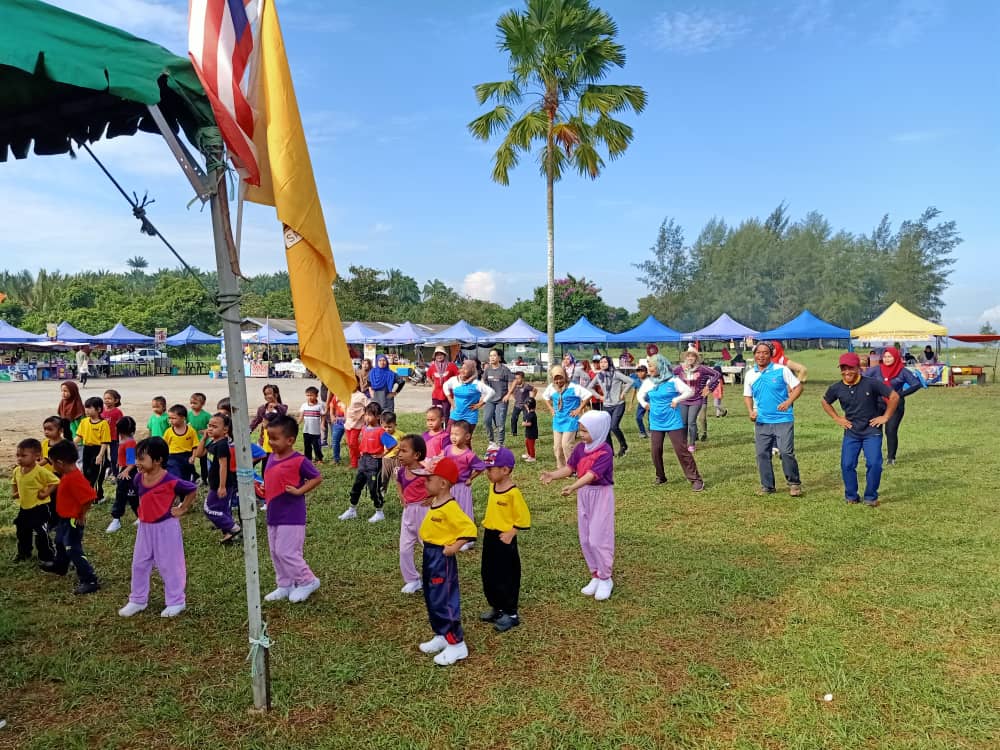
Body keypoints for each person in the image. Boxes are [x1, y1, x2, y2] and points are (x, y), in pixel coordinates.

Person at [117, 437, 199, 618]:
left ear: (158, 460)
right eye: (136, 458)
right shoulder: (138, 478)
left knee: (170, 565)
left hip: (166, 528)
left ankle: (176, 601)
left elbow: (191, 489)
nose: (137, 462)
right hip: (145, 528)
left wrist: (182, 508)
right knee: (139, 564)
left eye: (141, 459)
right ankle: (138, 599)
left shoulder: (170, 480)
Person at [539, 410, 616, 601]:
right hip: (584, 494)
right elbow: (569, 468)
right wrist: (553, 475)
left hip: (600, 495)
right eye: (580, 430)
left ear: (598, 430)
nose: (581, 434)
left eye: (585, 431)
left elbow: (591, 475)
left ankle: (606, 578)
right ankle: (595, 574)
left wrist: (573, 487)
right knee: (586, 538)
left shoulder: (605, 451)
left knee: (599, 538)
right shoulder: (581, 448)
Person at [412, 456, 477, 666]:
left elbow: (469, 529)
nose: (424, 482)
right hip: (430, 555)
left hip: (442, 558)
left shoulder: (450, 507)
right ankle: (441, 634)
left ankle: (457, 644)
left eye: (428, 479)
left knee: (444, 598)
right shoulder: (436, 501)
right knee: (432, 596)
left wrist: (455, 547)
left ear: (442, 483)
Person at [822, 353, 900, 507]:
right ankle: (851, 496)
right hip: (852, 432)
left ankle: (870, 497)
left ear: (858, 368)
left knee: (874, 464)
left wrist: (885, 417)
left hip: (872, 431)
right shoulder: (837, 388)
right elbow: (825, 401)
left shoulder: (871, 383)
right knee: (847, 465)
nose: (847, 372)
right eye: (843, 368)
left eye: (850, 368)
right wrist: (837, 418)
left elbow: (894, 397)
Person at [261, 415, 324, 603]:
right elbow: (273, 479)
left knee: (287, 552)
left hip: (292, 515)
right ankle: (285, 584)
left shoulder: (299, 460)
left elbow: (316, 478)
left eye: (274, 438)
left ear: (290, 440)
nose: (270, 442)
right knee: (275, 552)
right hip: (273, 513)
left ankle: (307, 581)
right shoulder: (271, 457)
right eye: (269, 437)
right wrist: (264, 487)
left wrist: (299, 491)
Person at [479, 446, 531, 633]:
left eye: (490, 469)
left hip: (505, 539)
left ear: (505, 470)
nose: (487, 473)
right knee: (489, 572)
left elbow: (523, 516)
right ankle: (497, 607)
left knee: (507, 575)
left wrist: (512, 531)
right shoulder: (493, 486)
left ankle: (511, 613)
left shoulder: (513, 493)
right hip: (490, 535)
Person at [40, 440, 100, 595]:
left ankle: (89, 579)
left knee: (73, 549)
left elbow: (89, 497)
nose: (52, 466)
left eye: (52, 463)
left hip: (72, 520)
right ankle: (60, 565)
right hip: (64, 518)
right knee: (59, 541)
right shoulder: (67, 474)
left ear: (60, 463)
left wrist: (82, 514)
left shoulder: (74, 478)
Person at [743, 342, 803, 497]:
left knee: (786, 452)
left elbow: (798, 387)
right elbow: (747, 395)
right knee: (762, 453)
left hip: (783, 419)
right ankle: (767, 486)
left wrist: (788, 402)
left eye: (765, 353)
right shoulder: (750, 374)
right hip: (762, 420)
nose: (761, 356)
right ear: (754, 355)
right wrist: (750, 411)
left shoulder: (781, 370)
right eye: (758, 353)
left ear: (770, 355)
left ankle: (794, 483)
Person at [637, 354, 704, 491]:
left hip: (673, 421)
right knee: (655, 450)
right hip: (656, 422)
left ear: (660, 366)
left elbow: (689, 391)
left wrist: (676, 400)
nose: (649, 369)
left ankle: (696, 480)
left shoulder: (673, 380)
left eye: (651, 366)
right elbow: (640, 395)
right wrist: (644, 404)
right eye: (648, 366)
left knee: (681, 450)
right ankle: (660, 476)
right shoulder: (649, 382)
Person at [863, 346, 924, 465]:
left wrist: (900, 394)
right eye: (885, 357)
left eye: (890, 356)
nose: (887, 359)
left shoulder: (902, 371)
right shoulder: (876, 370)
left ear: (896, 357)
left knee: (890, 430)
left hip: (895, 405)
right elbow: (862, 379)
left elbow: (916, 384)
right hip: (877, 403)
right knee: (875, 430)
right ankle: (873, 455)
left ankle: (891, 458)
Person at [339, 402, 397, 523]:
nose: (367, 417)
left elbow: (393, 443)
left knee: (373, 488)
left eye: (370, 415)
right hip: (363, 461)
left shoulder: (381, 431)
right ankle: (352, 509)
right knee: (357, 485)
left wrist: (382, 454)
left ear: (378, 416)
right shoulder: (364, 428)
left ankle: (379, 512)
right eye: (365, 414)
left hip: (374, 463)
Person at [10, 438, 57, 563]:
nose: (19, 459)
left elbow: (55, 481)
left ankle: (47, 556)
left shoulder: (40, 471)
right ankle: (24, 553)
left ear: (37, 456)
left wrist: (46, 493)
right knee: (22, 531)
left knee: (41, 533)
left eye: (23, 456)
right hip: (24, 508)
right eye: (18, 455)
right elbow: (14, 482)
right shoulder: (17, 470)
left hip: (39, 508)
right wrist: (15, 493)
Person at [541, 365, 595, 469]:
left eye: (560, 378)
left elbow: (588, 395)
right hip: (558, 420)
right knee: (557, 447)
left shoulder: (573, 387)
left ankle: (571, 468)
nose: (558, 381)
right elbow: (545, 397)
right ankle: (561, 468)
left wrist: (578, 409)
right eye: (556, 379)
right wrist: (551, 409)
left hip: (570, 420)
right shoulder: (552, 388)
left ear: (565, 376)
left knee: (566, 445)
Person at [396, 434, 429, 594]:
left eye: (404, 451)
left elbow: (440, 484)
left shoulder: (425, 472)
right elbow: (399, 482)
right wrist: (401, 495)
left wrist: (432, 498)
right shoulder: (402, 471)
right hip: (408, 512)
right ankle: (412, 580)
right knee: (404, 548)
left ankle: (436, 575)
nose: (399, 454)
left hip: (423, 512)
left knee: (429, 546)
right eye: (399, 450)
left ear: (416, 455)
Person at [441, 420, 486, 536]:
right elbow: (442, 460)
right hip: (448, 486)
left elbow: (481, 467)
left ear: (467, 437)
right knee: (448, 508)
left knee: (462, 509)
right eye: (452, 434)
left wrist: (470, 478)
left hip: (461, 487)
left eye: (457, 434)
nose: (453, 437)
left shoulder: (469, 455)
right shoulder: (448, 449)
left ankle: (466, 535)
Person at [202, 413, 242, 544]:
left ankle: (233, 527)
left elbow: (223, 466)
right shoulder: (213, 442)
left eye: (214, 426)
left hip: (221, 484)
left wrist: (222, 486)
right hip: (215, 482)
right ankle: (229, 534)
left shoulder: (222, 445)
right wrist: (204, 438)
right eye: (209, 425)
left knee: (209, 509)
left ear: (225, 430)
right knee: (223, 509)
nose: (210, 428)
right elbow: (199, 453)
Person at [673, 351, 722, 453]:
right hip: (683, 399)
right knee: (683, 423)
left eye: (693, 356)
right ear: (685, 358)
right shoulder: (680, 368)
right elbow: (668, 375)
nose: (690, 358)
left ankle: (692, 444)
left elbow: (717, 374)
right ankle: (683, 443)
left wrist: (708, 386)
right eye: (688, 356)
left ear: (696, 358)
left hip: (696, 399)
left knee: (691, 422)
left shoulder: (701, 368)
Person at [588, 355, 635, 458]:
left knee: (614, 426)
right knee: (606, 429)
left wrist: (623, 393)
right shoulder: (599, 376)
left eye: (605, 362)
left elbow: (631, 381)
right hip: (606, 405)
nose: (602, 364)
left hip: (618, 404)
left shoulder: (616, 374)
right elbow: (589, 387)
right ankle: (610, 452)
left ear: (609, 363)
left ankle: (623, 445)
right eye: (601, 362)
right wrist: (599, 396)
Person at [106, 417, 139, 533]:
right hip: (123, 471)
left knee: (131, 496)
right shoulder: (123, 441)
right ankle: (116, 519)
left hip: (128, 473)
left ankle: (139, 517)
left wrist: (126, 471)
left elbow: (132, 460)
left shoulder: (129, 443)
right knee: (122, 495)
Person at [443, 360, 495, 434]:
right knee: (448, 434)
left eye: (466, 369)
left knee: (466, 438)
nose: (462, 371)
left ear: (471, 371)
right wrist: (450, 399)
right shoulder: (455, 380)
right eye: (462, 368)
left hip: (470, 416)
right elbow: (445, 386)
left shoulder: (476, 383)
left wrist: (480, 404)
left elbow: (491, 392)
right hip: (455, 414)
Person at [75, 396, 110, 502]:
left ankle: (98, 497)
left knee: (97, 474)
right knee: (86, 473)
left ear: (98, 409)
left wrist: (100, 455)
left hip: (98, 450)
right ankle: (88, 495)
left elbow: (105, 442)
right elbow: (78, 437)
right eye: (86, 407)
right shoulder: (84, 422)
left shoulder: (103, 424)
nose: (86, 410)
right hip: (87, 449)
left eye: (89, 408)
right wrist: (70, 445)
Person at [481, 349, 513, 448]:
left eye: (494, 355)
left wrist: (508, 394)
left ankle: (500, 443)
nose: (492, 357)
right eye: (490, 355)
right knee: (486, 420)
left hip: (501, 400)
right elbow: (483, 380)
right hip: (490, 400)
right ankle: (491, 441)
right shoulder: (487, 369)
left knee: (500, 423)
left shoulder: (504, 369)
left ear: (499, 357)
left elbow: (513, 382)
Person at [163, 404, 199, 483]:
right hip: (172, 457)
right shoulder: (168, 432)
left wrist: (193, 457)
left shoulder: (191, 431)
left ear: (183, 418)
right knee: (175, 475)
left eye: (173, 418)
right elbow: (163, 446)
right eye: (169, 418)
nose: (170, 420)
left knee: (186, 477)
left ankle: (188, 485)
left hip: (187, 457)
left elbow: (195, 446)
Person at [249, 384, 288, 451]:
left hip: (277, 441)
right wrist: (249, 430)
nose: (267, 396)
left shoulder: (282, 408)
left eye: (269, 393)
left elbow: (282, 412)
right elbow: (256, 421)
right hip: (264, 441)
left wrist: (275, 407)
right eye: (265, 394)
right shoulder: (262, 408)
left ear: (276, 394)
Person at [428, 346, 460, 423]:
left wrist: (454, 386)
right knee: (436, 413)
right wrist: (433, 385)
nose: (439, 356)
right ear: (435, 356)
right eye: (437, 354)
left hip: (447, 394)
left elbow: (458, 376)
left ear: (445, 355)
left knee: (446, 413)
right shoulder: (432, 366)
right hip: (436, 395)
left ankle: (446, 428)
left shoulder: (451, 365)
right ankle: (438, 427)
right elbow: (428, 376)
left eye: (441, 354)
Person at [100, 389, 124, 487]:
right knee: (103, 457)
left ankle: (115, 474)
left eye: (109, 398)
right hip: (102, 438)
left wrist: (121, 437)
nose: (106, 400)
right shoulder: (101, 410)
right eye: (105, 398)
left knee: (114, 457)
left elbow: (121, 425)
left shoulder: (117, 412)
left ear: (116, 400)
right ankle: (105, 471)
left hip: (114, 438)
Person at [344, 376, 369, 469]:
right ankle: (354, 463)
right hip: (348, 423)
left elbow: (369, 406)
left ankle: (360, 457)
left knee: (353, 443)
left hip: (357, 424)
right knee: (349, 444)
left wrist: (362, 414)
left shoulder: (361, 396)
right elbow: (345, 407)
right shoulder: (347, 394)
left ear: (358, 383)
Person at [187, 392, 211, 484]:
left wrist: (206, 430)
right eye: (191, 403)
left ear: (203, 403)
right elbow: (183, 424)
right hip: (191, 441)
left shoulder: (206, 415)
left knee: (203, 460)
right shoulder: (188, 414)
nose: (192, 405)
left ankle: (205, 478)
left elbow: (214, 425)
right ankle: (194, 475)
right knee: (190, 459)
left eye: (195, 403)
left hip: (203, 441)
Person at [298, 386, 326, 463]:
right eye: (307, 395)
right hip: (306, 430)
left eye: (311, 395)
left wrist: (322, 424)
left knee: (317, 446)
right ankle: (308, 459)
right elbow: (301, 417)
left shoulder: (319, 406)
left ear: (316, 396)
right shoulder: (304, 405)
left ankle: (319, 459)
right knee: (307, 446)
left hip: (316, 431)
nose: (309, 397)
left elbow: (323, 416)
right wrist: (297, 423)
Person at [507, 371, 537, 440]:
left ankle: (528, 433)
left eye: (518, 378)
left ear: (522, 378)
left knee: (526, 419)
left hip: (525, 406)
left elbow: (535, 390)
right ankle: (514, 433)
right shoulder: (514, 386)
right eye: (516, 378)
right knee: (513, 418)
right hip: (517, 405)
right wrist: (515, 397)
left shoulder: (526, 386)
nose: (517, 380)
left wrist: (532, 399)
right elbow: (511, 392)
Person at [379, 411, 400, 501]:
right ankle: (381, 493)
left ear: (395, 425)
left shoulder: (400, 434)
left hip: (397, 460)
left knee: (398, 478)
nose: (387, 429)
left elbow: (407, 443)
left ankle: (401, 495)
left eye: (390, 427)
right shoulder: (381, 435)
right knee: (384, 477)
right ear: (381, 425)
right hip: (385, 460)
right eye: (385, 427)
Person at [325, 388, 346, 464]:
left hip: (348, 422)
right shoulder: (335, 397)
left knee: (351, 442)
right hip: (338, 422)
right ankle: (336, 458)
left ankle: (355, 458)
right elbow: (332, 406)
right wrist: (332, 416)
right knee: (335, 441)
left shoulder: (349, 397)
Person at [630, 365, 650, 439]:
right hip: (642, 402)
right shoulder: (636, 381)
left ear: (646, 372)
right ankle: (642, 432)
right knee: (638, 417)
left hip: (651, 401)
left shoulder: (651, 380)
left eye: (642, 371)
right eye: (638, 371)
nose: (640, 373)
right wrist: (631, 403)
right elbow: (634, 391)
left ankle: (650, 431)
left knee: (651, 418)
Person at [521, 397, 538, 463]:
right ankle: (529, 454)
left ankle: (532, 457)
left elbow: (530, 424)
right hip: (529, 433)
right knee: (527, 443)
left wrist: (524, 423)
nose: (525, 406)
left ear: (528, 406)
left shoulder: (531, 414)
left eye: (526, 405)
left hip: (532, 433)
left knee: (531, 445)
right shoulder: (530, 413)